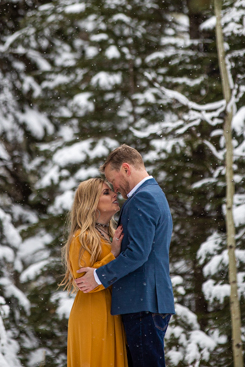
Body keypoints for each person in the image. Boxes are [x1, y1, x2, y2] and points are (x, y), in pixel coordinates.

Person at [75, 145, 175, 367]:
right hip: (148, 301)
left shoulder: (143, 198)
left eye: (114, 179)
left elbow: (138, 253)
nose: (115, 188)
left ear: (126, 169)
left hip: (142, 302)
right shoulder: (153, 194)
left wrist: (99, 276)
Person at [62, 177, 128, 367]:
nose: (114, 194)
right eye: (106, 193)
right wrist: (113, 253)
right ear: (91, 203)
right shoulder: (81, 238)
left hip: (112, 310)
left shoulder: (111, 234)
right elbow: (84, 283)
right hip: (93, 313)